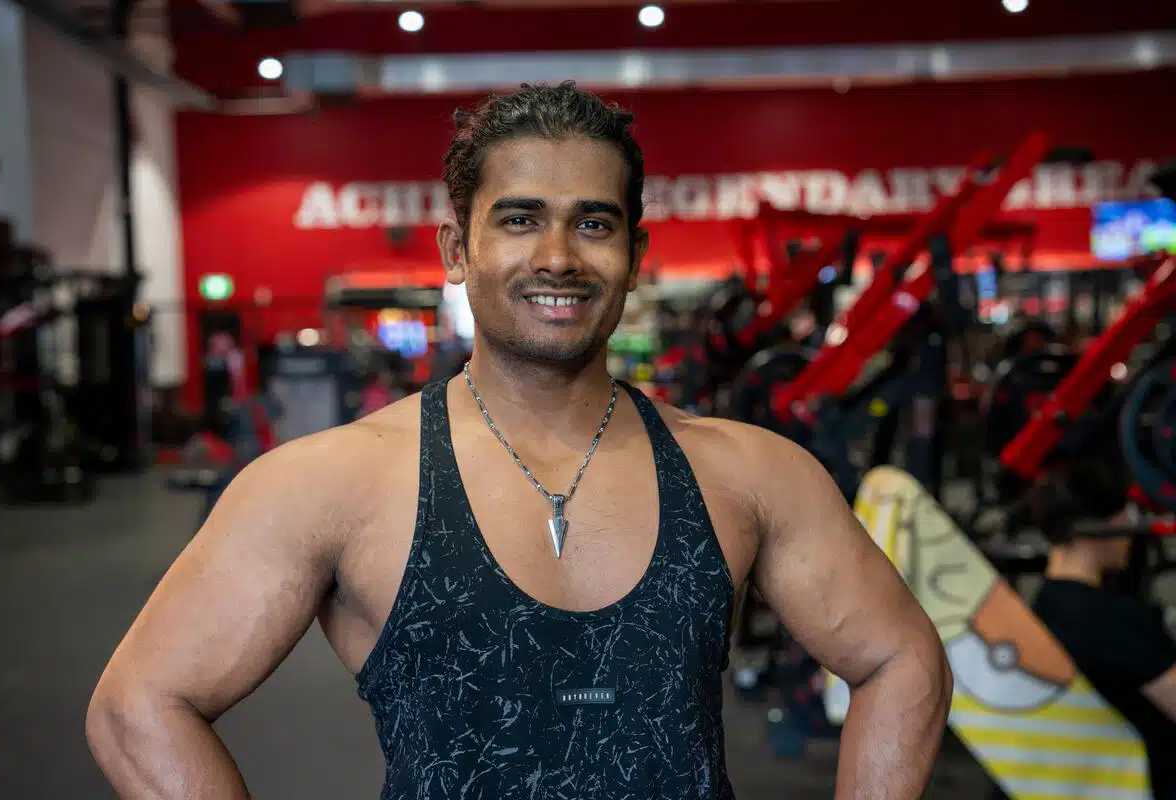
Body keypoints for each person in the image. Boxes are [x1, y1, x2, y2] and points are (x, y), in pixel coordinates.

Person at [86, 82, 951, 799]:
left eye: (594, 223)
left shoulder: (751, 472)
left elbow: (901, 660)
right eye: (520, 219)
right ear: (457, 247)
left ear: (636, 253)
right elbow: (139, 704)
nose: (559, 256)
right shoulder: (330, 483)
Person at [1030, 461, 1176, 800]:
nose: (1130, 528)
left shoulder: (1040, 605)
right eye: (1125, 515)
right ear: (1100, 527)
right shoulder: (1112, 621)